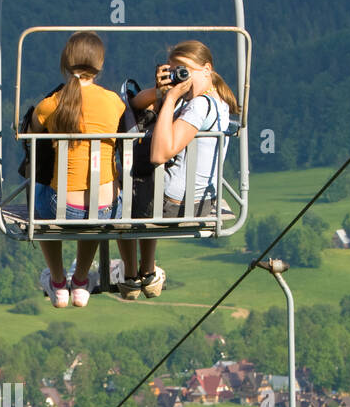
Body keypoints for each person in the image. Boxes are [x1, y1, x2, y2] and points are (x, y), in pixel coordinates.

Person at [117, 40, 240, 299]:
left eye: (185, 71)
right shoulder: (217, 103)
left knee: (123, 182)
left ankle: (130, 272)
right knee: (144, 181)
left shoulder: (197, 106)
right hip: (202, 202)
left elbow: (160, 153)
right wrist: (161, 90)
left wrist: (171, 97)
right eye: (175, 72)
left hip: (173, 204)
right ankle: (148, 272)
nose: (180, 78)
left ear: (207, 70)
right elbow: (137, 104)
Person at [31, 31, 124, 309]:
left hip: (61, 206)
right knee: (93, 212)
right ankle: (81, 281)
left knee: (41, 186)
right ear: (100, 64)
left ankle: (59, 283)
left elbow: (32, 135)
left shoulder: (52, 103)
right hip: (106, 207)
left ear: (65, 62)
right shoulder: (113, 102)